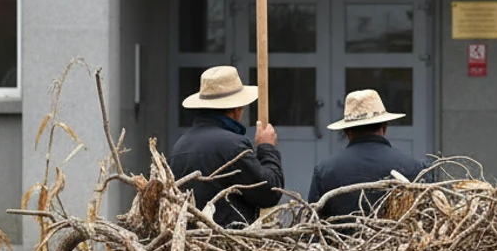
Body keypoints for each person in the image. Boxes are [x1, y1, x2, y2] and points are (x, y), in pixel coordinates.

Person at [170, 65, 283, 228]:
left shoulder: (181, 144)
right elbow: (268, 193)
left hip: (190, 243)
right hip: (227, 242)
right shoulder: (233, 145)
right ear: (237, 109)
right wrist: (267, 148)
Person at [308, 89, 430, 220]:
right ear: (384, 127)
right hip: (401, 240)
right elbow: (427, 218)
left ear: (347, 132)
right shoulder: (416, 167)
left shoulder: (326, 170)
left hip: (341, 240)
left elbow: (314, 225)